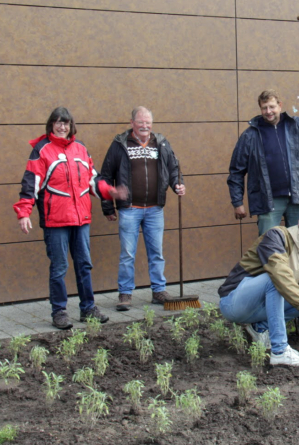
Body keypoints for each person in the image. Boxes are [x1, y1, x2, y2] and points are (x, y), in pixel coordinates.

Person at [14, 107, 127, 329]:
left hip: (81, 219)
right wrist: (24, 212)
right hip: (55, 222)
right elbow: (30, 184)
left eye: (65, 122)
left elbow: (93, 180)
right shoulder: (41, 150)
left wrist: (108, 191)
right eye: (57, 122)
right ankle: (59, 312)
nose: (62, 126)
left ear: (71, 125)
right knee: (59, 267)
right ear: (51, 125)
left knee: (84, 265)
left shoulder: (81, 149)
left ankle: (88, 309)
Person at [218, 203, 299, 367]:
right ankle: (280, 351)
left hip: (259, 308)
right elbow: (279, 272)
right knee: (276, 280)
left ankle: (260, 328)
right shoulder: (276, 235)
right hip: (234, 302)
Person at [99, 106, 185, 311]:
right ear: (132, 123)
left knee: (156, 252)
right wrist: (108, 207)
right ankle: (125, 294)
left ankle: (158, 291)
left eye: (148, 122)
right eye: (140, 122)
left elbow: (173, 169)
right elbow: (105, 176)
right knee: (127, 254)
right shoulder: (120, 144)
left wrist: (177, 184)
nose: (145, 126)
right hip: (129, 209)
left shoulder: (161, 143)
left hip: (155, 209)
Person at [228, 83, 299, 235]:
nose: (268, 111)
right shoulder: (250, 135)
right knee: (269, 245)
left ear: (280, 105)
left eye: (272, 107)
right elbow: (236, 171)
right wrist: (237, 202)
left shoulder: (297, 126)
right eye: (264, 108)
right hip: (268, 200)